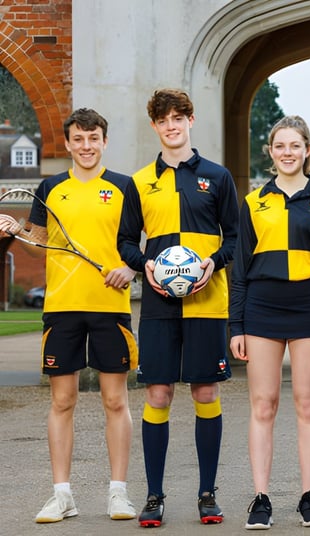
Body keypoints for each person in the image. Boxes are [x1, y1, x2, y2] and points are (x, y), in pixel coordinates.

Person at [0, 108, 138, 523]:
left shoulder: (123, 187)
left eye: (93, 138)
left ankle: (119, 493)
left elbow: (134, 244)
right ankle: (62, 495)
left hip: (110, 305)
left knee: (116, 400)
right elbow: (40, 247)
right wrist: (17, 230)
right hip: (61, 307)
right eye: (78, 139)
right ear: (68, 143)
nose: (86, 146)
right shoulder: (50, 187)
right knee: (62, 401)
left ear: (104, 141)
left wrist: (130, 268)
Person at [117, 89, 239, 527]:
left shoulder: (218, 176)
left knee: (205, 391)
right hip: (159, 304)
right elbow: (126, 242)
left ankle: (208, 494)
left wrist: (212, 262)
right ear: (155, 126)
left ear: (191, 120)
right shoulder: (140, 181)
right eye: (163, 119)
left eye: (178, 117)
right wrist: (146, 265)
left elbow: (235, 238)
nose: (172, 125)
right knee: (158, 393)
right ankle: (154, 496)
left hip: (207, 302)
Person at [228, 115, 310, 529]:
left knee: (308, 404)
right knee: (263, 404)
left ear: (308, 149)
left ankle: (308, 497)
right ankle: (261, 498)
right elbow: (239, 268)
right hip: (261, 309)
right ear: (271, 152)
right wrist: (235, 325)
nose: (288, 153)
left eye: (295, 145)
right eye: (280, 146)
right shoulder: (254, 201)